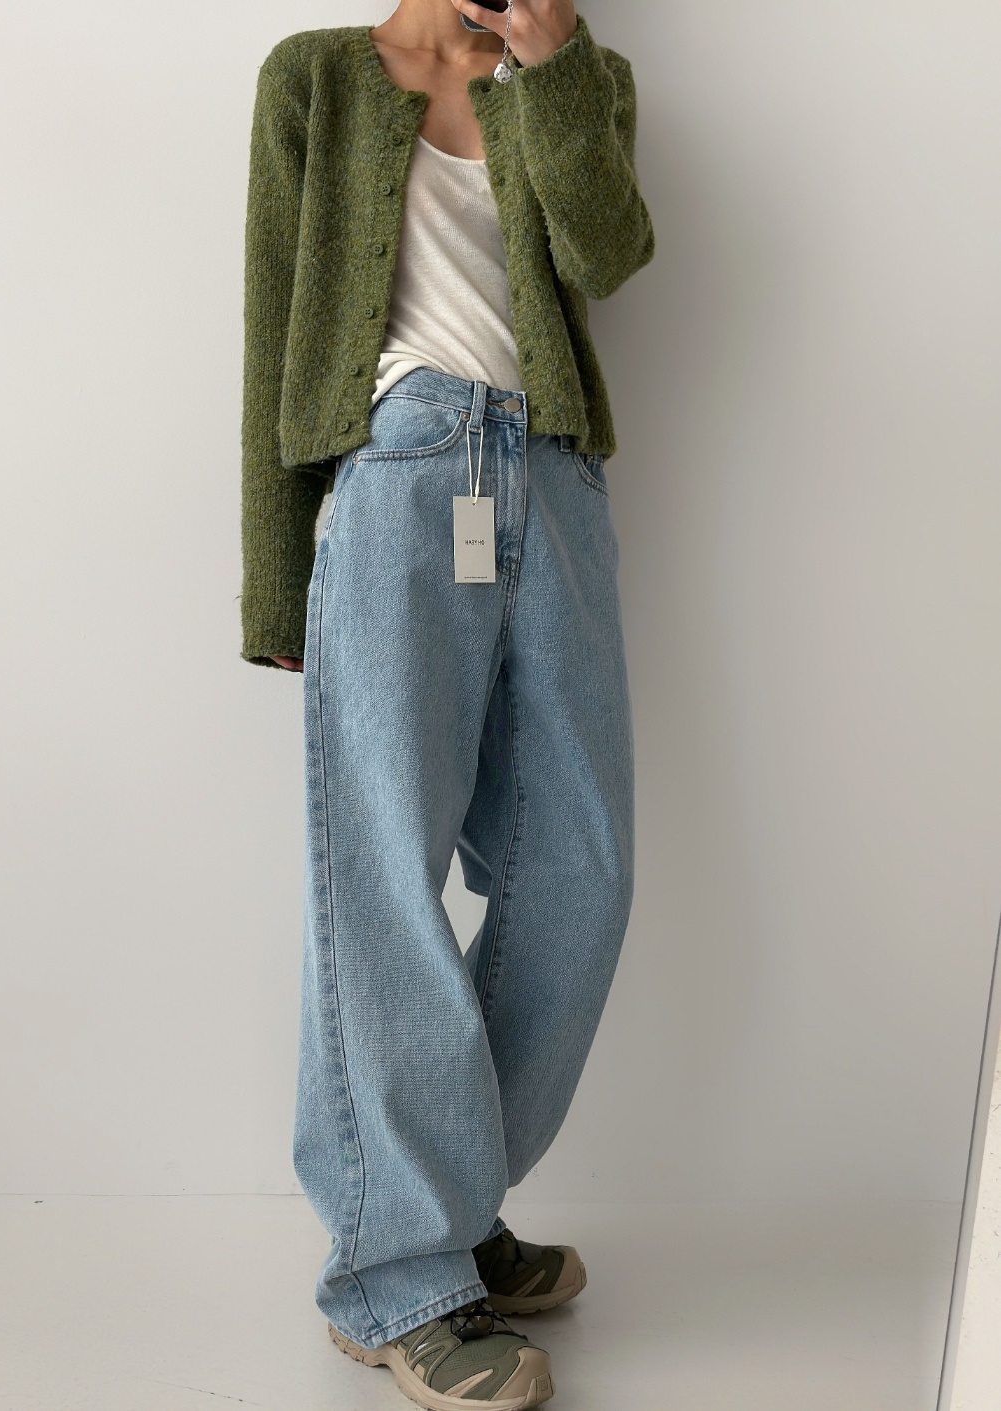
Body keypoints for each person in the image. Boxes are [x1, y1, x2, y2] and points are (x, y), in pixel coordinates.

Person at [239, 0, 654, 1404]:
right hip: (398, 479)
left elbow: (608, 254)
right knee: (382, 884)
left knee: (580, 869)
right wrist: (275, 582)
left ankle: (445, 1206)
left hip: (553, 480)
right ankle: (398, 1273)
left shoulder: (584, 75)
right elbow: (272, 322)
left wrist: (554, 71)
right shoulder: (312, 77)